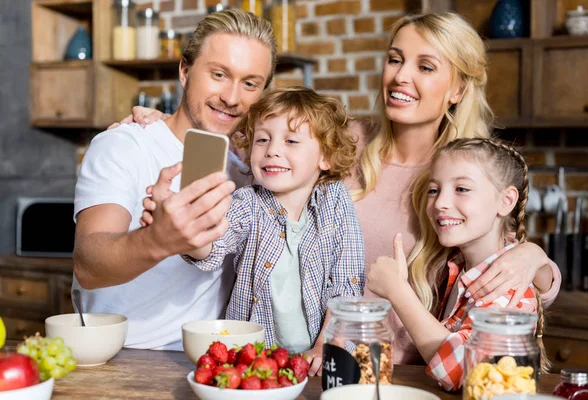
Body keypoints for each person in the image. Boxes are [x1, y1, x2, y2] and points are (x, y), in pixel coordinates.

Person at [119, 11, 561, 365]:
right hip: (318, 364)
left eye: (425, 66)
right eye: (394, 59)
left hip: (415, 366)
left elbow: (510, 281)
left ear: (459, 87)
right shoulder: (341, 139)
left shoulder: (466, 172)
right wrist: (166, 126)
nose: (400, 77)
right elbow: (250, 135)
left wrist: (535, 256)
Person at [72, 9, 277, 350]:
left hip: (212, 360)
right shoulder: (124, 144)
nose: (231, 97)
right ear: (185, 71)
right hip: (123, 358)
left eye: (250, 83)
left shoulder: (248, 170)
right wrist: (158, 240)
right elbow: (88, 266)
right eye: (219, 74)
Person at [142, 86, 365, 375]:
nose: (272, 150)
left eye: (291, 141)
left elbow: (347, 283)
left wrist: (328, 345)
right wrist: (184, 230)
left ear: (325, 158)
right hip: (256, 363)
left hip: (320, 359)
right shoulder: (248, 203)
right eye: (262, 139)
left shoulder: (334, 200)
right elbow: (212, 246)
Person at [367, 138, 550, 391]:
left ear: (506, 201)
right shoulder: (459, 265)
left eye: (462, 189)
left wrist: (398, 291)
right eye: (434, 190)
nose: (440, 202)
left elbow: (463, 373)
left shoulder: (507, 286)